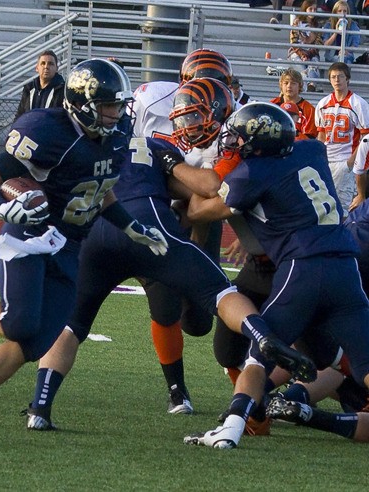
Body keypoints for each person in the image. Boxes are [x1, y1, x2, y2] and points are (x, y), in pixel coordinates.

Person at [21, 78, 314, 431]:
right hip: (148, 230)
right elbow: (202, 187)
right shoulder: (154, 146)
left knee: (72, 325)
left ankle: (40, 407)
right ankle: (260, 335)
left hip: (96, 236)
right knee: (221, 292)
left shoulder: (87, 148)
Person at [0, 59, 170, 446]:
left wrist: (133, 227)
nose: (116, 114)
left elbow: (99, 192)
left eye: (118, 105)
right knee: (19, 325)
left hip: (72, 247)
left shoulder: (116, 137)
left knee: (33, 344)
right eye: (108, 106)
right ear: (83, 105)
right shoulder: (47, 131)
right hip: (31, 236)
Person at [183, 102, 369, 450]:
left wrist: (186, 169)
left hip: (302, 266)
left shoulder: (252, 174)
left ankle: (233, 427)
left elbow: (197, 209)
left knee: (259, 353)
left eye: (239, 139)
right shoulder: (312, 149)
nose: (233, 143)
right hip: (345, 266)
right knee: (364, 359)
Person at [125, 48, 235, 414]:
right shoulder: (149, 99)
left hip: (202, 208)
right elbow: (126, 147)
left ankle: (250, 386)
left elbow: (225, 185)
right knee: (164, 304)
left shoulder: (234, 114)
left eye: (218, 85)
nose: (208, 91)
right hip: (156, 206)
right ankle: (178, 391)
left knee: (200, 320)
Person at [315, 62, 369, 214]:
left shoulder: (358, 104)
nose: (337, 80)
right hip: (326, 160)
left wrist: (350, 163)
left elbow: (365, 138)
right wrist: (320, 157)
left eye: (340, 76)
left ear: (348, 79)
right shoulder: (323, 104)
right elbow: (322, 134)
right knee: (324, 204)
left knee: (343, 207)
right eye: (333, 77)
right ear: (330, 80)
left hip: (345, 159)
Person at [14, 49, 65, 121]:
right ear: (37, 68)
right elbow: (20, 115)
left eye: (50, 64)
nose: (46, 67)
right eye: (43, 63)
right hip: (29, 131)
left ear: (56, 68)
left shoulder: (63, 90)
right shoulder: (29, 89)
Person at [269, 68, 318, 139]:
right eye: (286, 83)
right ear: (281, 85)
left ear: (300, 86)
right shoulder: (272, 105)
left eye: (293, 83)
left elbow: (309, 139)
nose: (289, 86)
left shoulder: (309, 110)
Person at [288, 0, 323, 91]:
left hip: (312, 53)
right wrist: (302, 54)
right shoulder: (297, 22)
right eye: (310, 9)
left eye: (315, 9)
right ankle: (310, 84)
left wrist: (308, 54)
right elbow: (293, 41)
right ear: (305, 9)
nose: (313, 11)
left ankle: (311, 85)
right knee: (301, 66)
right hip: (297, 52)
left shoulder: (317, 25)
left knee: (313, 64)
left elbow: (319, 43)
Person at [322, 0, 361, 64]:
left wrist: (346, 51)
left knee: (345, 60)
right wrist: (336, 32)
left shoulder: (353, 25)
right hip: (331, 56)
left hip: (347, 56)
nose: (342, 13)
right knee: (341, 61)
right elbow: (325, 45)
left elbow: (355, 44)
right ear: (335, 12)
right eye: (339, 11)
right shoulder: (328, 25)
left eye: (345, 11)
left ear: (348, 13)